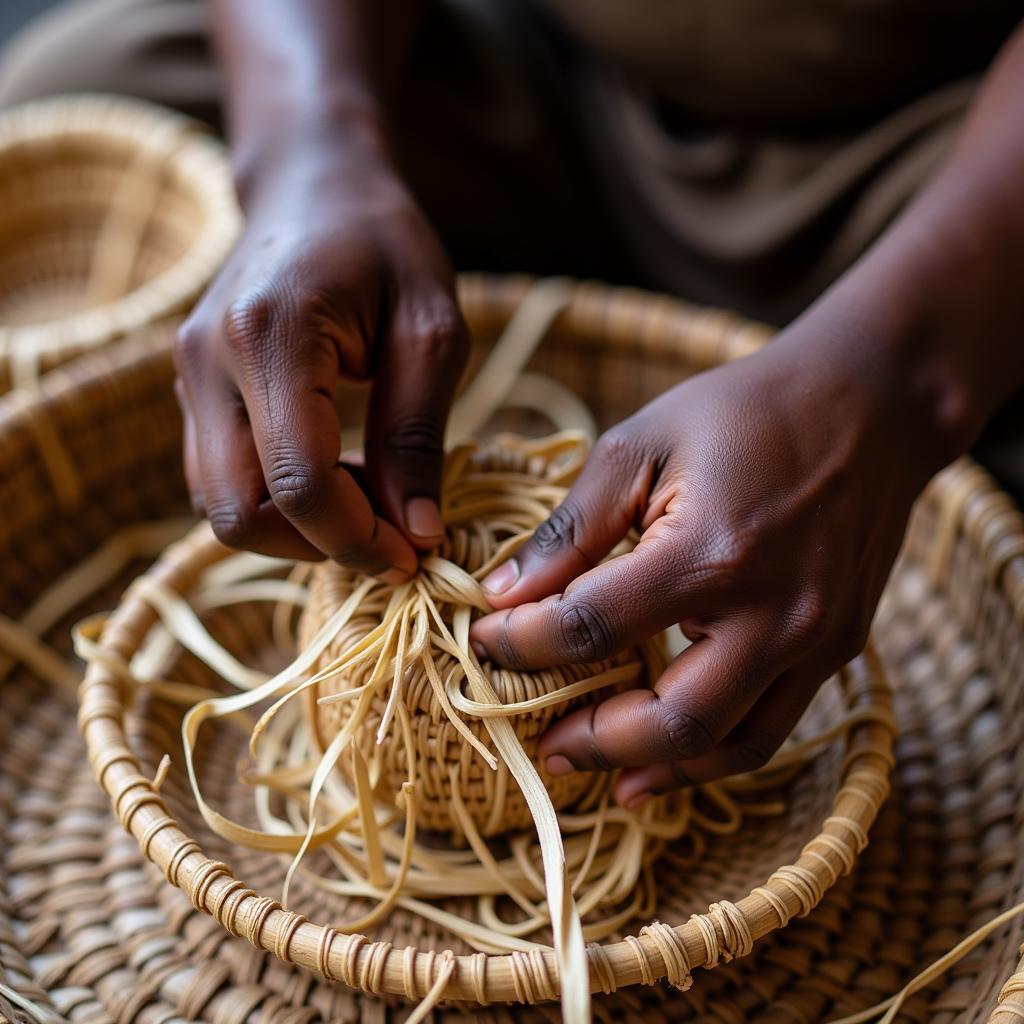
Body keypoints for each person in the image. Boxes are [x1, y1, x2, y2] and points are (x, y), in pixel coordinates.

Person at [2, 1, 1022, 809]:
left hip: (940, 171)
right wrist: (312, 142)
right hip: (545, 70)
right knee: (90, 90)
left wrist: (897, 373)